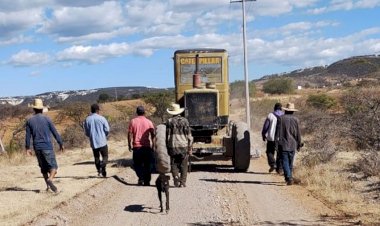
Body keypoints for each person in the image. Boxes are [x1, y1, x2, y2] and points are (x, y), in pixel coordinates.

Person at [25, 98, 64, 193]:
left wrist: (27, 148)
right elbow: (55, 132)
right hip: (47, 146)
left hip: (37, 147)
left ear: (33, 109)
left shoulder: (29, 121)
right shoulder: (47, 119)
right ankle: (50, 180)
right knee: (53, 167)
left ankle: (48, 186)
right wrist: (60, 143)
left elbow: (27, 136)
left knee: (43, 168)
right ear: (42, 109)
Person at [166, 103, 193, 188]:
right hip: (183, 146)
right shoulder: (185, 121)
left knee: (173, 163)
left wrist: (167, 146)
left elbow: (167, 135)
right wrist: (190, 148)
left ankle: (176, 178)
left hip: (172, 146)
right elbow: (189, 136)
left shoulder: (169, 121)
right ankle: (182, 182)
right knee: (184, 164)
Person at [128, 106, 155, 186]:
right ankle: (147, 181)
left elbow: (129, 134)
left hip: (136, 147)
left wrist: (129, 144)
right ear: (144, 112)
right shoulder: (149, 122)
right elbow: (153, 134)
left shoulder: (132, 121)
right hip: (146, 147)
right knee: (148, 164)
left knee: (137, 164)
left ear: (137, 112)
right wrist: (153, 145)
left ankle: (141, 178)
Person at [278, 103, 302, 186]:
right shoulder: (296, 120)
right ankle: (289, 177)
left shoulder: (281, 118)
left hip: (283, 144)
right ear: (293, 111)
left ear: (285, 110)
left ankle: (289, 177)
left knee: (285, 161)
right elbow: (298, 133)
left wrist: (276, 142)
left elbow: (277, 132)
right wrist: (299, 143)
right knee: (290, 162)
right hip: (293, 144)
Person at [84, 103, 110, 177]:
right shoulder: (102, 118)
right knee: (105, 156)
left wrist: (91, 136)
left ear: (91, 110)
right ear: (98, 110)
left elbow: (86, 132)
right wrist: (104, 135)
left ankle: (99, 171)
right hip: (102, 141)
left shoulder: (87, 119)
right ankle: (103, 166)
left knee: (96, 157)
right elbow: (107, 129)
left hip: (93, 142)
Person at [261, 103, 283, 174]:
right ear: (281, 108)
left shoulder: (270, 115)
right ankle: (279, 169)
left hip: (271, 137)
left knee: (269, 152)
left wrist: (263, 134)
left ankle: (273, 164)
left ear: (274, 108)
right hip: (280, 138)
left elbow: (265, 127)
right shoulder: (284, 116)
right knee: (280, 153)